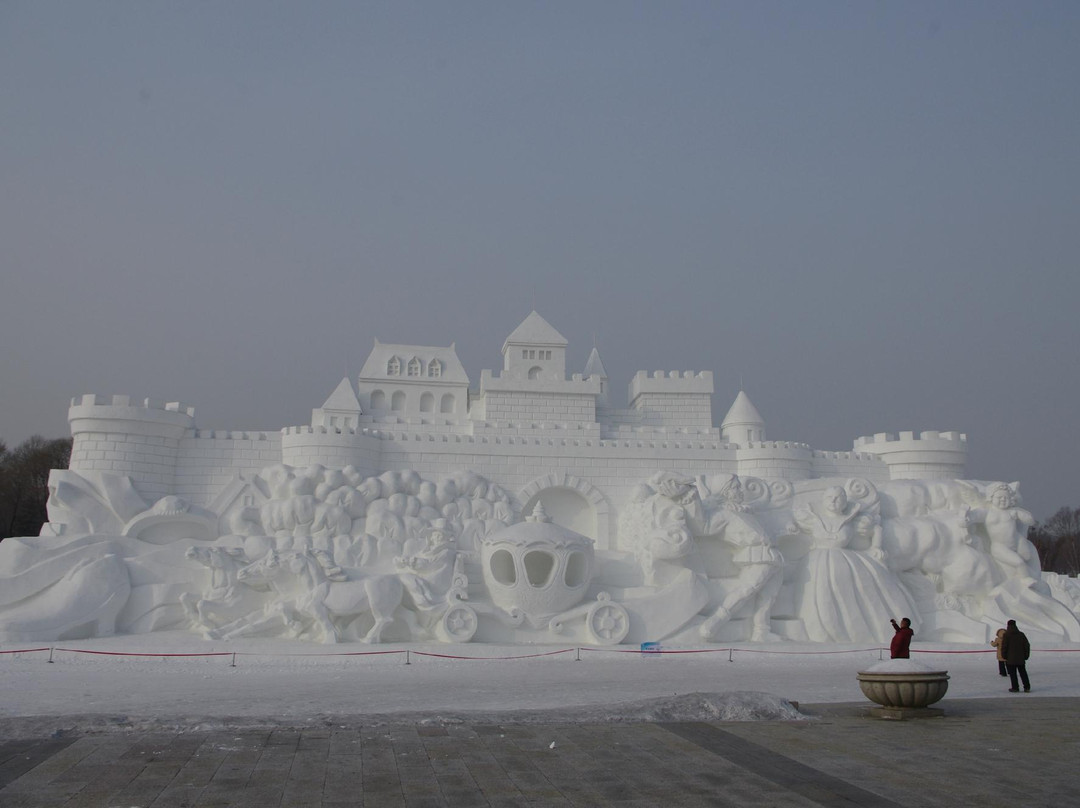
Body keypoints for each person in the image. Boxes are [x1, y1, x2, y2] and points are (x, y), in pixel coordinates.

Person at [1001, 619, 1031, 692]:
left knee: (1013, 674)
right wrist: (1026, 656)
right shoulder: (1021, 634)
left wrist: (1004, 656)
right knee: (1023, 673)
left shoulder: (1006, 635)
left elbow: (1004, 646)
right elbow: (1027, 645)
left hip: (1010, 659)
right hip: (1021, 659)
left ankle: (1015, 687)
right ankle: (1027, 687)